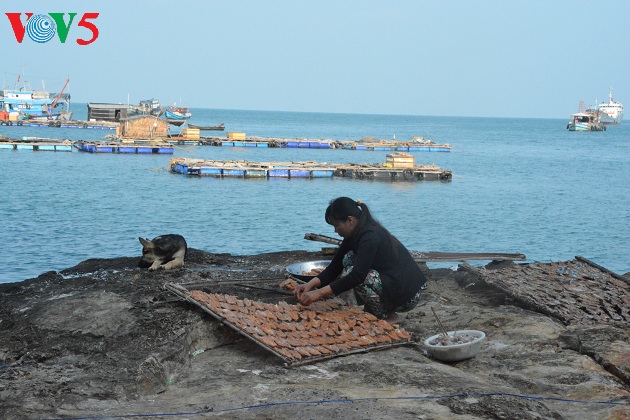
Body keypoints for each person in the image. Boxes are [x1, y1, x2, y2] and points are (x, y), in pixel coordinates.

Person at [294, 197, 427, 324]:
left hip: (407, 295)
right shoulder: (353, 234)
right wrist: (309, 285)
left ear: (350, 220)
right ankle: (377, 308)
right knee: (348, 259)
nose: (335, 231)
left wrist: (319, 293)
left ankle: (387, 314)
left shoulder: (370, 236)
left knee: (357, 275)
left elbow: (357, 276)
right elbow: (334, 267)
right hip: (390, 282)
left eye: (337, 225)